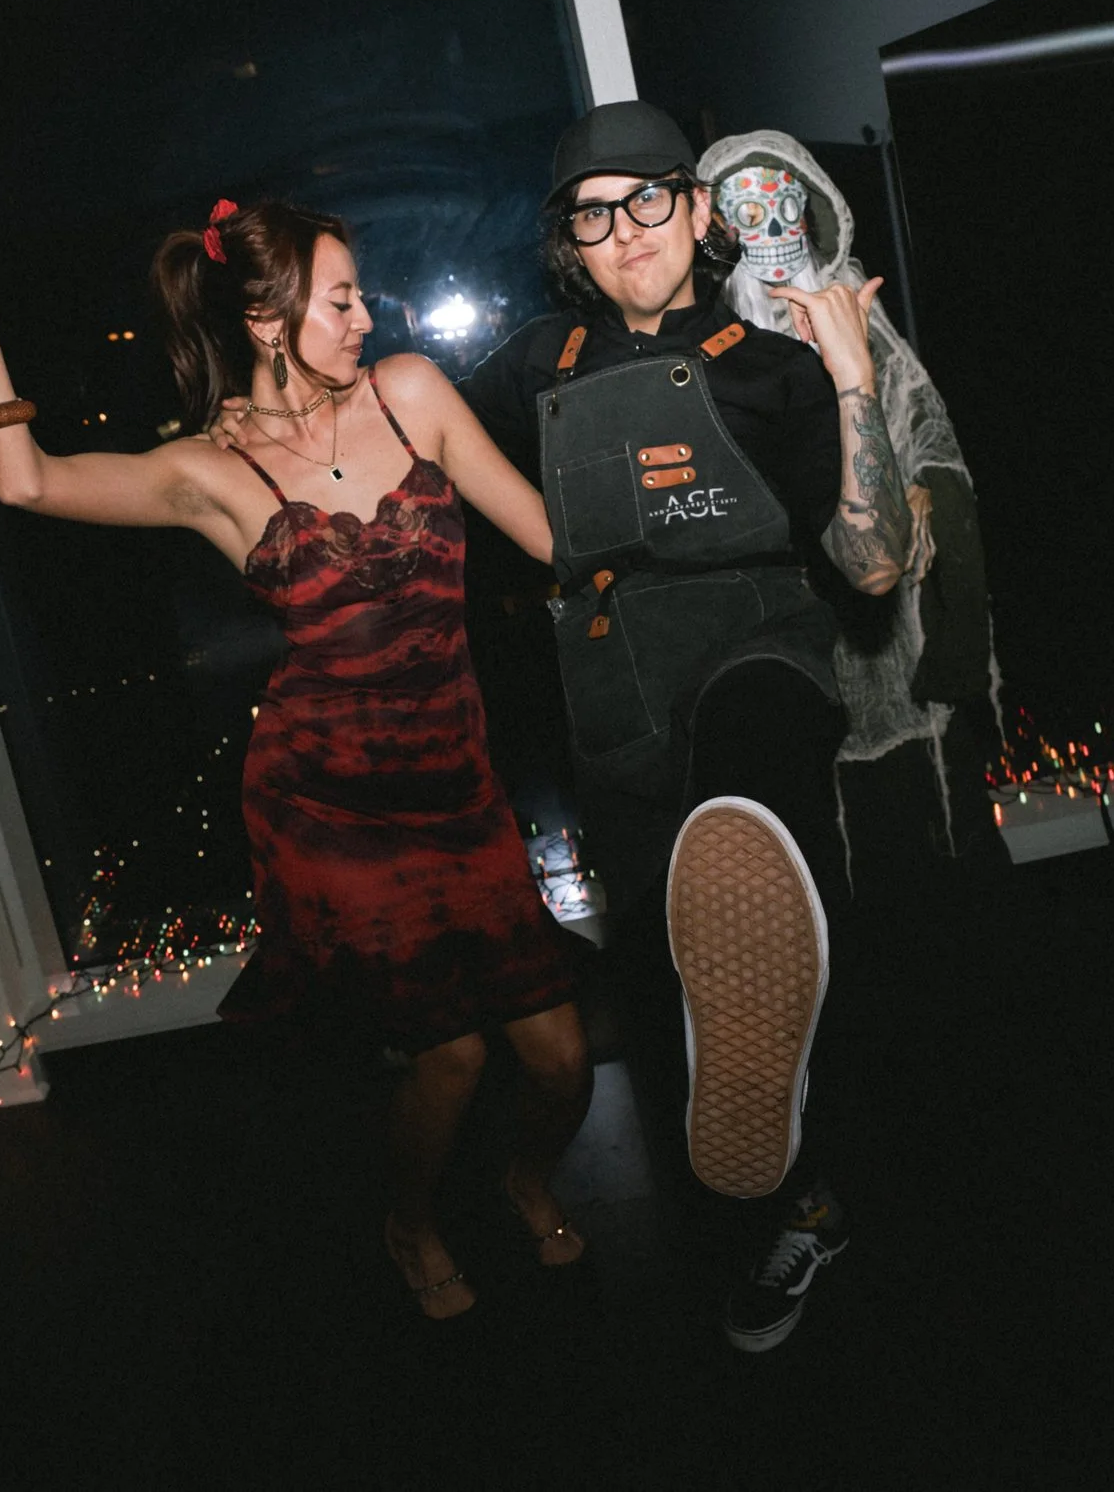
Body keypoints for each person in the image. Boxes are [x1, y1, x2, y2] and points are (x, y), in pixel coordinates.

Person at [0, 178, 591, 1320]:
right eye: (341, 301)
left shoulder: (412, 393)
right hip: (328, 800)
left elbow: (553, 538)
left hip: (459, 785)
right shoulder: (208, 471)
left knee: (560, 1056)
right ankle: (411, 1220)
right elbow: (22, 479)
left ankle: (524, 1175)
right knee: (454, 1056)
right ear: (267, 320)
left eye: (361, 296)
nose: (367, 317)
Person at [456, 101, 916, 1352]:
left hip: (755, 655)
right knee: (685, 1007)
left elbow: (871, 569)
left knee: (753, 787)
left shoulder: (769, 364)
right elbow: (417, 443)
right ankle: (775, 1208)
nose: (624, 233)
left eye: (648, 199)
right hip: (612, 696)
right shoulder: (532, 367)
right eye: (593, 215)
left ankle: (808, 1193)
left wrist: (853, 373)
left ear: (698, 212)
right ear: (572, 242)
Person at [696, 128, 1001, 846]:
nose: (768, 233)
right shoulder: (712, 348)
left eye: (781, 210)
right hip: (795, 635)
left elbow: (926, 424)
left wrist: (926, 488)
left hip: (900, 634)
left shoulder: (856, 305)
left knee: (938, 836)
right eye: (745, 215)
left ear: (809, 214)